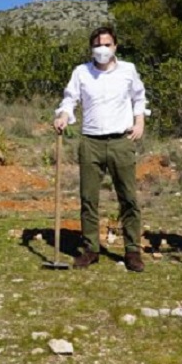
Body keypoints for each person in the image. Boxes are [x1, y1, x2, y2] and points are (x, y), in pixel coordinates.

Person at [53, 26, 147, 272]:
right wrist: (63, 115)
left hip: (121, 140)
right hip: (91, 141)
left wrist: (140, 122)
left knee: (127, 197)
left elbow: (139, 96)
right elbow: (70, 98)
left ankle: (132, 250)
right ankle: (91, 248)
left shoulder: (128, 70)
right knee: (88, 198)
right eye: (97, 45)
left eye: (106, 44)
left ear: (115, 46)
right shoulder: (81, 72)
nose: (102, 49)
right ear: (91, 48)